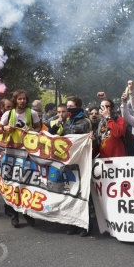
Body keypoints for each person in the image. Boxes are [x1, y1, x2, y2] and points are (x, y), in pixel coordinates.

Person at [0, 90, 41, 228]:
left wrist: (33, 131)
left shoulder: (32, 113)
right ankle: (15, 214)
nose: (22, 101)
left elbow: (39, 127)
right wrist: (4, 128)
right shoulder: (8, 114)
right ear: (15, 100)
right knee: (14, 185)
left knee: (27, 185)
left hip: (28, 155)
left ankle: (27, 214)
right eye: (20, 99)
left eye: (24, 99)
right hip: (11, 155)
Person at [49, 96, 93, 237]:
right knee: (70, 191)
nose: (68, 109)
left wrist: (92, 138)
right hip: (68, 163)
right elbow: (53, 137)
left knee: (83, 193)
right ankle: (72, 223)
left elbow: (93, 142)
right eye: (66, 107)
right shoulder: (66, 123)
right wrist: (58, 125)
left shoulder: (86, 122)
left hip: (82, 164)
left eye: (71, 106)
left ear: (78, 107)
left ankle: (84, 225)